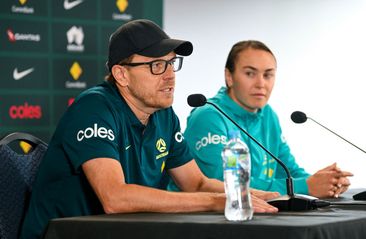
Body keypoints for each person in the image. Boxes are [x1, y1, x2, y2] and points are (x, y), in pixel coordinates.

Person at [20, 21, 279, 239]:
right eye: (157, 66)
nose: (170, 75)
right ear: (121, 74)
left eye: (171, 63)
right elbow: (115, 198)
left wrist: (253, 195)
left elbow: (196, 183)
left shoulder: (163, 115)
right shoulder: (94, 108)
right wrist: (214, 202)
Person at [172, 40, 352, 198]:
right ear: (229, 77)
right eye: (250, 73)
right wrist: (305, 186)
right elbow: (222, 181)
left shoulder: (268, 115)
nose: (261, 83)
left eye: (268, 75)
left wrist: (325, 182)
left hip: (259, 213)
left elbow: (287, 170)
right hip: (205, 220)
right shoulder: (208, 116)